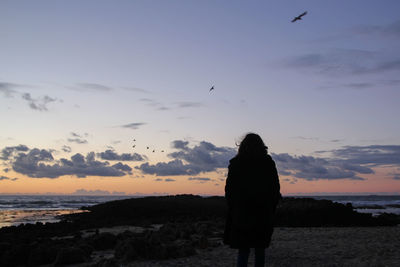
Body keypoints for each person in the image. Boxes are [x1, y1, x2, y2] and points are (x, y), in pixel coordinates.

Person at [224, 133, 281, 267]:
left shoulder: (236, 163)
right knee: (259, 249)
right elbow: (275, 188)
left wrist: (233, 208)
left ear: (242, 146)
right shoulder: (267, 163)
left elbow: (229, 190)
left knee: (243, 250)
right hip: (263, 212)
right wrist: (271, 206)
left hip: (242, 213)